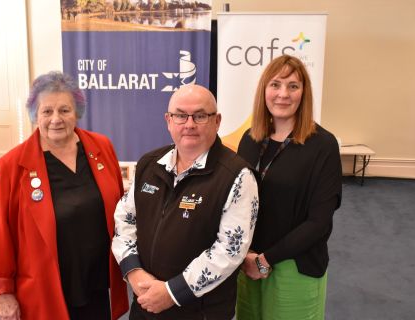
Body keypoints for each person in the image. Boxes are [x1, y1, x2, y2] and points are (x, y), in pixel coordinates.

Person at [0, 71, 128, 320]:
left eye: (64, 110)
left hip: (96, 280)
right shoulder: (10, 166)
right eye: (47, 111)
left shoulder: (101, 147)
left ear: (77, 112)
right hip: (45, 286)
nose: (56, 119)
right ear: (34, 115)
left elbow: (119, 210)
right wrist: (3, 292)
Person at [111, 84, 259, 319]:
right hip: (146, 302)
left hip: (200, 311)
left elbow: (230, 250)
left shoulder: (238, 176)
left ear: (217, 121)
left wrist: (172, 292)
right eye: (180, 115)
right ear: (169, 120)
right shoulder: (149, 165)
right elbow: (124, 219)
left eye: (200, 116)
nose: (189, 124)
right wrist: (133, 271)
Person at [236, 55, 342, 319]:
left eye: (293, 86)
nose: (283, 94)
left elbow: (319, 222)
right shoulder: (250, 140)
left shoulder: (323, 145)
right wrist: (247, 255)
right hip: (246, 262)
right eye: (276, 84)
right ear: (264, 90)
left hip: (294, 264)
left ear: (303, 93)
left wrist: (265, 260)